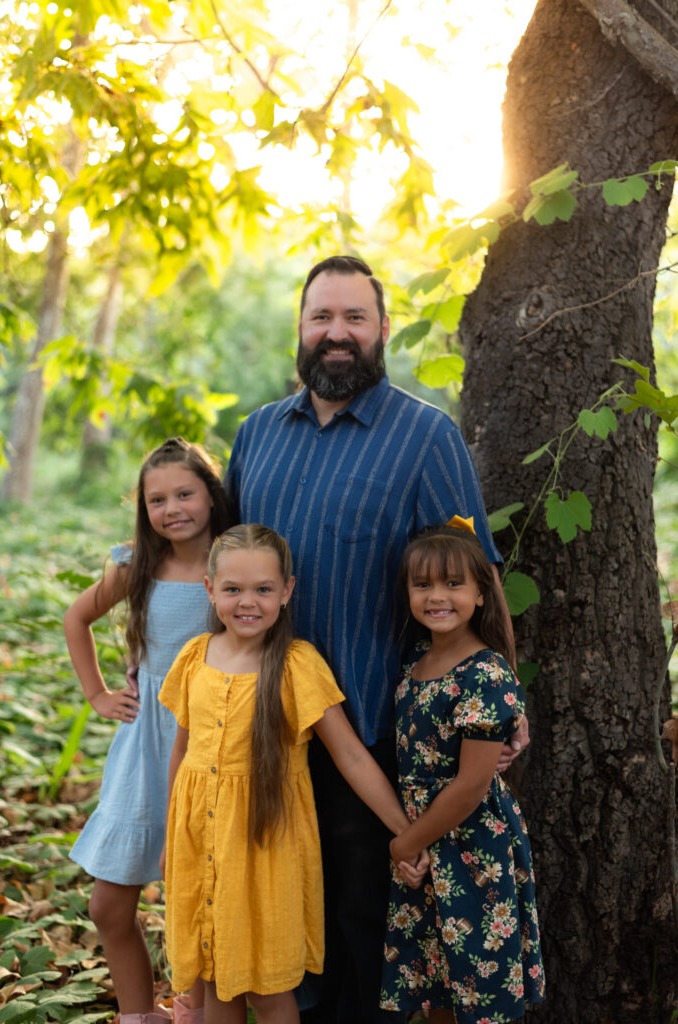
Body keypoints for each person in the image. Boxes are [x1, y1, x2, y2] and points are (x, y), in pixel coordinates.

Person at [225, 255, 528, 1023]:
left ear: (382, 330)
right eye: (322, 316)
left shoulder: (426, 436)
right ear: (300, 328)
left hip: (376, 735)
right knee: (281, 928)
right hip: (264, 731)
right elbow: (220, 565)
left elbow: (477, 577)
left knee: (363, 936)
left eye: (354, 318)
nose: (337, 333)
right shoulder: (257, 434)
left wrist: (504, 699)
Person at [157, 524, 426, 1024]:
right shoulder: (194, 657)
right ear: (210, 589)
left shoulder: (297, 665)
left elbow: (351, 756)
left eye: (263, 589)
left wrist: (406, 831)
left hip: (264, 852)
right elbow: (183, 753)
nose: (247, 602)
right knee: (216, 980)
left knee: (268, 988)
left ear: (287, 591)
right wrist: (170, 840)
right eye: (233, 589)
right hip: (199, 842)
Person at [64, 437, 234, 1024]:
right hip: (145, 746)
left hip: (212, 745)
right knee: (109, 903)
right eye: (156, 499)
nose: (171, 509)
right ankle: (139, 1015)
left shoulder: (231, 563)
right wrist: (97, 694)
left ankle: (197, 1010)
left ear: (211, 495)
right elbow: (77, 617)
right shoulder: (137, 564)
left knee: (205, 902)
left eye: (184, 493)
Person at [380, 520, 545, 1022]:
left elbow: (472, 786)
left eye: (454, 584)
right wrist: (414, 845)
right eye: (423, 584)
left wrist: (405, 844)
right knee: (439, 988)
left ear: (480, 593)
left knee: (480, 992)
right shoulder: (413, 662)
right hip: (426, 850)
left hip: (472, 849)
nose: (437, 596)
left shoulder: (485, 673)